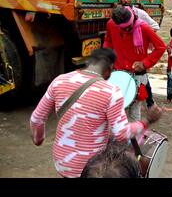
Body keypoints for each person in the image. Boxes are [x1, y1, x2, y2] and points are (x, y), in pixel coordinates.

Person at [30, 48, 163, 178]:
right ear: (110, 69)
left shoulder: (59, 80)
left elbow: (36, 119)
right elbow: (122, 133)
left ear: (88, 62)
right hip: (92, 168)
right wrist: (147, 120)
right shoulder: (111, 91)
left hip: (62, 162)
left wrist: (38, 139)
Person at [103, 6, 166, 122]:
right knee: (117, 110)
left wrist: (145, 63)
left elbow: (161, 47)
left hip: (137, 75)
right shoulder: (111, 24)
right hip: (118, 73)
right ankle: (120, 135)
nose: (127, 31)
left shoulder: (144, 27)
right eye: (124, 29)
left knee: (135, 110)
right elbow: (108, 40)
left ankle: (134, 137)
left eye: (129, 27)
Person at [118, 0, 161, 108]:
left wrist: (142, 36)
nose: (126, 0)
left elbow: (155, 26)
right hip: (124, 52)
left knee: (141, 76)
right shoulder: (117, 14)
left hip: (138, 51)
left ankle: (150, 102)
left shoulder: (139, 13)